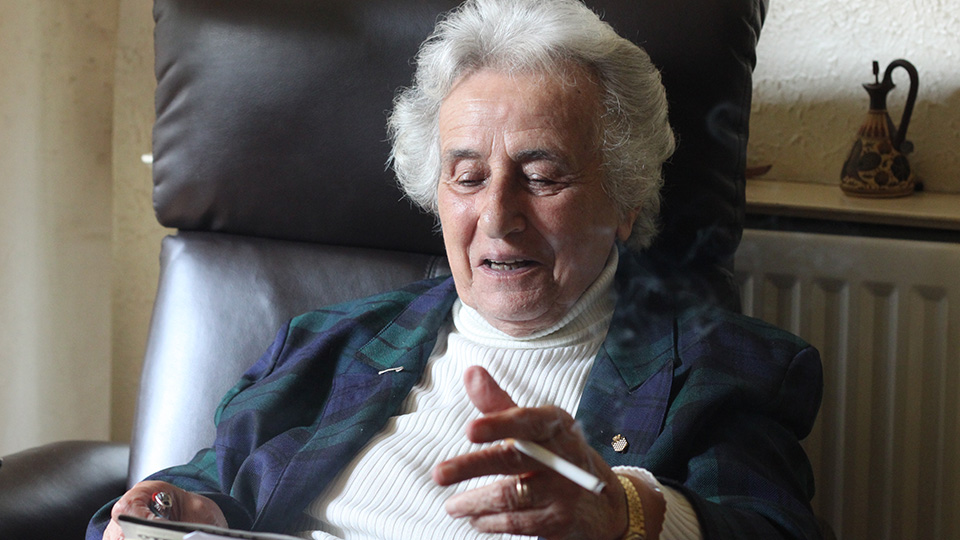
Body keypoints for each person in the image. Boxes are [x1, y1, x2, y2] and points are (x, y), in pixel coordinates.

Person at [90, 0, 823, 539]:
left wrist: (625, 516)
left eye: (542, 176)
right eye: (468, 177)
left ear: (624, 199)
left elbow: (771, 529)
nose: (498, 217)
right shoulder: (328, 346)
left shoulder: (719, 370)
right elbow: (210, 481)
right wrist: (178, 512)